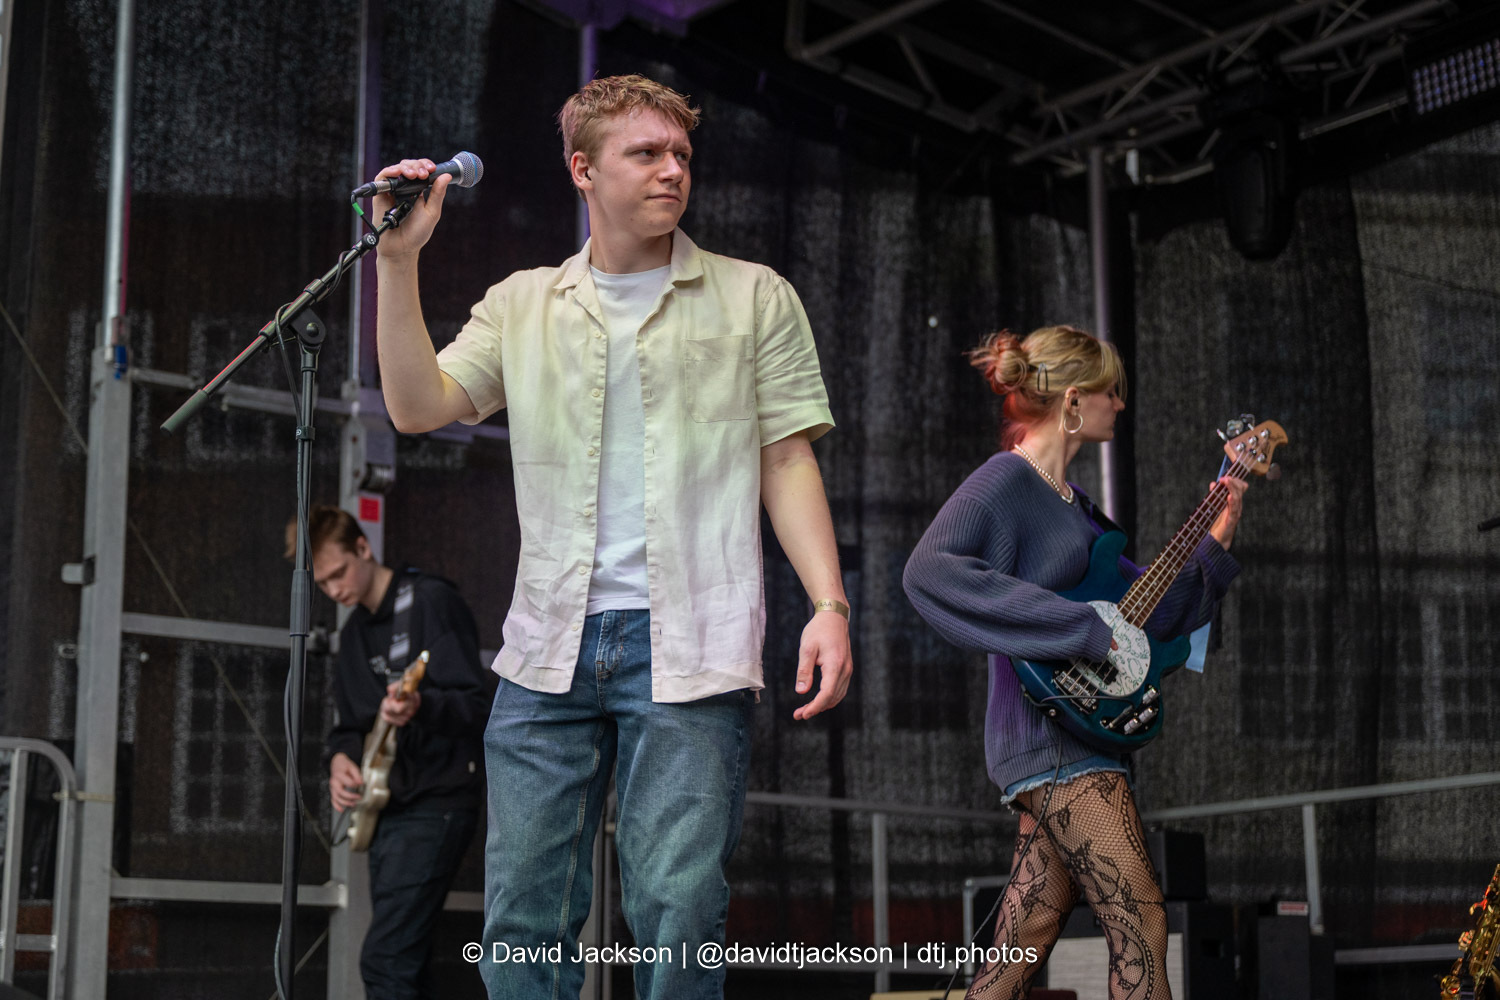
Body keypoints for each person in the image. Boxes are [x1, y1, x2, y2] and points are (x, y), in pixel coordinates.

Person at [366, 74, 854, 999]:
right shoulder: (522, 303)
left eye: (683, 155)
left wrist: (828, 603)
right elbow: (417, 406)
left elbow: (787, 459)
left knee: (678, 908)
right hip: (546, 647)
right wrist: (398, 261)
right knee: (521, 915)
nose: (674, 171)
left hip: (691, 642)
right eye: (647, 153)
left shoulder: (755, 296)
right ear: (583, 170)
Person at [902, 325, 1247, 1000]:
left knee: (1020, 944)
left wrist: (1219, 537)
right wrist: (1078, 627)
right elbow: (928, 571)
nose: (1119, 403)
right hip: (1051, 739)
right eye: (1109, 390)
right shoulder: (1006, 479)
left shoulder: (1078, 510)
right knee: (1141, 920)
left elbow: (1142, 622)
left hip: (1075, 736)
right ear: (1072, 400)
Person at [292, 505, 492, 1000]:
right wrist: (339, 760)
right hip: (386, 808)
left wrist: (421, 706)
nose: (333, 590)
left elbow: (478, 705)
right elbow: (350, 727)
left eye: (338, 573)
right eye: (322, 583)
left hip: (437, 800)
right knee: (406, 964)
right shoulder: (354, 635)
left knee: (385, 961)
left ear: (363, 548)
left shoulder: (431, 601)